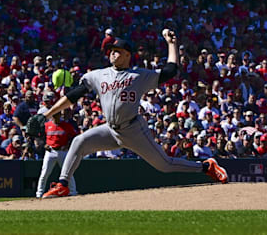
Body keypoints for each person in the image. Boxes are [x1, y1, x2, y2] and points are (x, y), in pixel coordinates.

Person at [33, 30, 229, 197]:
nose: (113, 54)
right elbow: (73, 95)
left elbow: (170, 71)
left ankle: (206, 167)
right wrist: (47, 114)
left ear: (128, 55)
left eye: (117, 51)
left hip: (134, 129)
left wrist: (171, 44)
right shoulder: (98, 75)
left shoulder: (139, 75)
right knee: (79, 142)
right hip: (110, 130)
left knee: (165, 165)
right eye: (111, 51)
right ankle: (63, 185)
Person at [35, 109, 79, 197]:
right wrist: (44, 144)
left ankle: (73, 192)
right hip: (50, 151)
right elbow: (39, 137)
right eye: (54, 115)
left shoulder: (66, 125)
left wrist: (68, 145)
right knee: (44, 173)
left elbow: (74, 137)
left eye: (58, 115)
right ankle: (39, 193)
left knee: (67, 173)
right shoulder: (47, 125)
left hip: (62, 151)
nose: (56, 117)